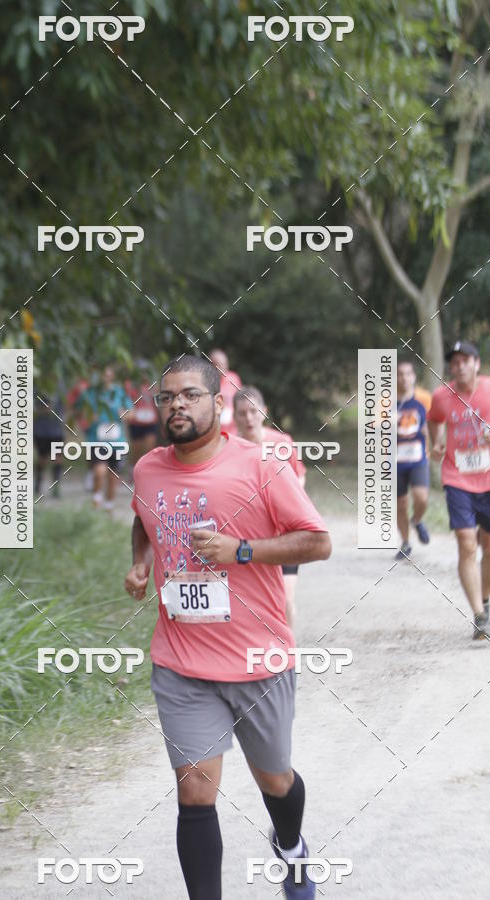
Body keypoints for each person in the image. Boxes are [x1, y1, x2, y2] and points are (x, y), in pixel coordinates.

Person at [124, 355, 331, 899]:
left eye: (190, 395)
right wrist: (141, 563)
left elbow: (317, 540)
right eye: (167, 397)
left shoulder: (261, 466)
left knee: (275, 779)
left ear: (219, 403)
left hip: (258, 658)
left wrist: (242, 550)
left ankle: (291, 846)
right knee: (194, 788)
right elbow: (142, 520)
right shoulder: (147, 469)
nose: (176, 405)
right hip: (181, 661)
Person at [427, 340, 490, 639]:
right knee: (467, 543)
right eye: (454, 362)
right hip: (457, 477)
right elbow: (433, 419)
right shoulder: (442, 396)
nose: (459, 366)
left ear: (477, 364)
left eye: (465, 360)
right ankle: (479, 616)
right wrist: (437, 442)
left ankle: (484, 599)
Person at [233, 385, 306, 630]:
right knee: (249, 606)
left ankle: (289, 655)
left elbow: (299, 480)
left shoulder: (282, 443)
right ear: (234, 417)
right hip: (247, 538)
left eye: (253, 412)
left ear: (264, 412)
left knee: (285, 600)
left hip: (284, 536)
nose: (248, 418)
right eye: (242, 413)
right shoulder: (228, 449)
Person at [77, 364, 130, 510]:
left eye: (107, 375)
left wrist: (123, 413)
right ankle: (96, 498)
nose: (104, 378)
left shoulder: (119, 393)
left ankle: (109, 507)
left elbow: (132, 413)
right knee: (99, 472)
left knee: (113, 478)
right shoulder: (89, 393)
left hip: (117, 442)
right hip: (96, 440)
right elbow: (76, 411)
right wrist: (87, 417)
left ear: (112, 376)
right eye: (101, 375)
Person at [395, 360, 431, 560]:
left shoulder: (424, 399)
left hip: (418, 458)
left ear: (414, 377)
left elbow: (431, 424)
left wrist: (434, 445)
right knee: (401, 503)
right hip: (396, 460)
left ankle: (417, 520)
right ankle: (406, 543)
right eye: (400, 374)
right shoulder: (387, 402)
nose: (404, 378)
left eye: (408, 374)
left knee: (421, 497)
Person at [33, 391, 64, 498]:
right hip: (40, 431)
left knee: (58, 458)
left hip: (56, 431)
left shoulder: (61, 385)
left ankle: (56, 487)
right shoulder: (38, 386)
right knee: (42, 458)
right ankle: (38, 484)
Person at [209, 348, 242, 434]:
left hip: (233, 431)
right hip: (215, 432)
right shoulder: (206, 383)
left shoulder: (234, 378)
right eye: (218, 365)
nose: (221, 368)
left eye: (223, 364)